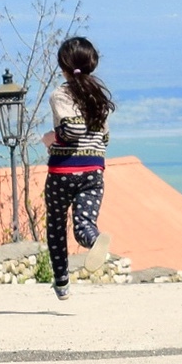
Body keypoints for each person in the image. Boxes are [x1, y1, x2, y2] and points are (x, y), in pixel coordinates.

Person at [41, 36, 117, 300]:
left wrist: (52, 138)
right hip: (94, 172)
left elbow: (71, 129)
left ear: (63, 65)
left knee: (56, 226)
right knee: (84, 224)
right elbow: (104, 137)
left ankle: (61, 282)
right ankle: (94, 240)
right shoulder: (98, 97)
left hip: (62, 171)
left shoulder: (60, 94)